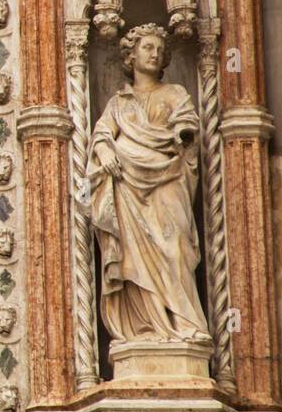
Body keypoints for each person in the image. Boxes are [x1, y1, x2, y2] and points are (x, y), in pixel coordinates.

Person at [88, 24, 210, 345]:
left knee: (176, 248)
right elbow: (101, 135)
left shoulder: (174, 94)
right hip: (128, 188)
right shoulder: (118, 103)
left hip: (168, 181)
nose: (154, 53)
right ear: (131, 55)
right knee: (132, 258)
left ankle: (185, 325)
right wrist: (104, 152)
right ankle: (145, 328)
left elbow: (187, 125)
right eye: (147, 48)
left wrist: (183, 134)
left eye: (158, 49)